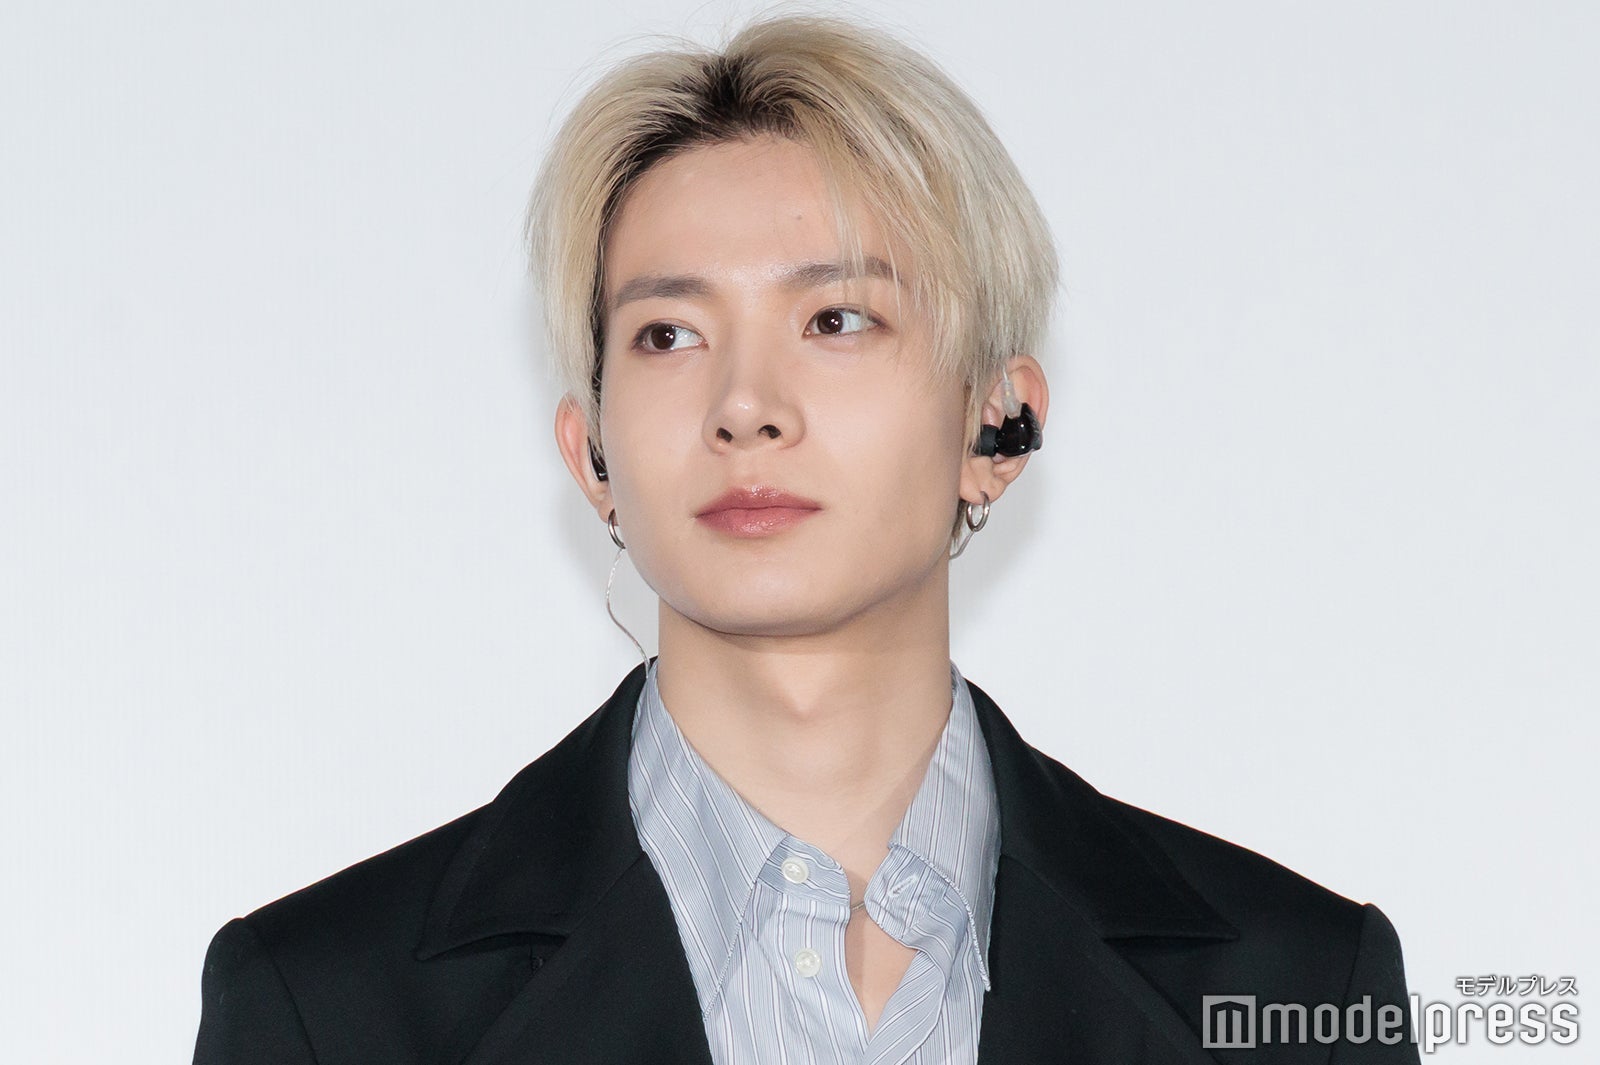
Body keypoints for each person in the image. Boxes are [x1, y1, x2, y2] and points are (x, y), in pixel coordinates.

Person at [192, 13, 1419, 1064]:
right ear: (592, 455)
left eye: (836, 318)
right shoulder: (327, 1005)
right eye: (668, 335)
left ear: (998, 423)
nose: (745, 406)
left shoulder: (1300, 985)